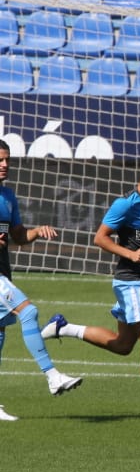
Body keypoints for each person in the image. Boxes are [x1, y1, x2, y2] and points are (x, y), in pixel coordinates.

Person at [41, 151, 140, 426]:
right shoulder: (125, 205)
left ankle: (63, 327)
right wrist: (130, 254)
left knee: (123, 345)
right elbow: (100, 238)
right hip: (130, 279)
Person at [0, 141, 83, 421]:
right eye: (0, 160)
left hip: (3, 271)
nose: (5, 165)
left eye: (7, 160)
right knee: (29, 311)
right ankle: (52, 375)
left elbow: (18, 236)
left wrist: (36, 231)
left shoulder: (8, 196)